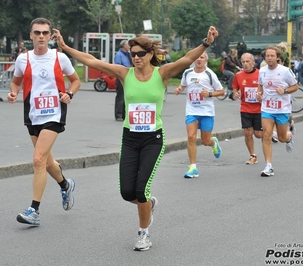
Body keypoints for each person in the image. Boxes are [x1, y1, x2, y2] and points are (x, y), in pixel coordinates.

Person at [52, 26, 219, 251]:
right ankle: (148, 205)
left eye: (141, 53)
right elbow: (92, 61)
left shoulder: (162, 73)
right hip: (130, 138)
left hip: (153, 139)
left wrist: (206, 43)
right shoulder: (124, 74)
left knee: (141, 190)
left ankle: (143, 233)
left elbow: (188, 58)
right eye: (133, 54)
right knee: (127, 193)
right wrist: (64, 47)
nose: (136, 57)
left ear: (150, 54)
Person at [7, 18, 81, 226]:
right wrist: (13, 93)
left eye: (45, 33)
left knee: (38, 159)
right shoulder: (23, 59)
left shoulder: (60, 57)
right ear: (31, 35)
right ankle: (66, 185)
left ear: (51, 36)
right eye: (37, 32)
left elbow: (76, 81)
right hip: (33, 114)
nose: (41, 36)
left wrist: (69, 94)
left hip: (54, 114)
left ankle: (34, 211)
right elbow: (16, 81)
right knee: (47, 162)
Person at [174, 52, 223, 178]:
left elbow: (221, 91)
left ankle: (214, 143)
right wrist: (180, 88)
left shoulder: (209, 74)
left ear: (206, 60)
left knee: (206, 141)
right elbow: (183, 84)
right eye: (197, 57)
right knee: (191, 137)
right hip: (192, 111)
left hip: (206, 111)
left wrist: (210, 94)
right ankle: (193, 167)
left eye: (202, 57)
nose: (199, 59)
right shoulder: (187, 73)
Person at [256, 46, 298, 177]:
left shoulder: (285, 71)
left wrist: (284, 91)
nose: (269, 58)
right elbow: (260, 85)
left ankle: (289, 136)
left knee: (281, 137)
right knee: (266, 135)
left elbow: (295, 86)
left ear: (277, 57)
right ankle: (268, 166)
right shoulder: (262, 71)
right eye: (267, 56)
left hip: (282, 109)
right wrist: (259, 94)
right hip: (267, 108)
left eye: (272, 56)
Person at [232, 53, 262, 164]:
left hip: (259, 109)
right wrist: (236, 94)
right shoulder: (238, 75)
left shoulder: (260, 74)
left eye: (247, 61)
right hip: (245, 108)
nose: (245, 64)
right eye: (243, 62)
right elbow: (235, 87)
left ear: (253, 62)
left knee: (258, 135)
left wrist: (261, 96)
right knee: (247, 132)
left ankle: (271, 133)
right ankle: (253, 155)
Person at [114, 40, 131, 121]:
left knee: (126, 96)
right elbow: (117, 67)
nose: (129, 46)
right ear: (124, 46)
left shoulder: (128, 54)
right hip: (121, 77)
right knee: (120, 96)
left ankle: (124, 114)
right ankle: (118, 115)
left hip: (128, 77)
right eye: (128, 45)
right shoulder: (119, 55)